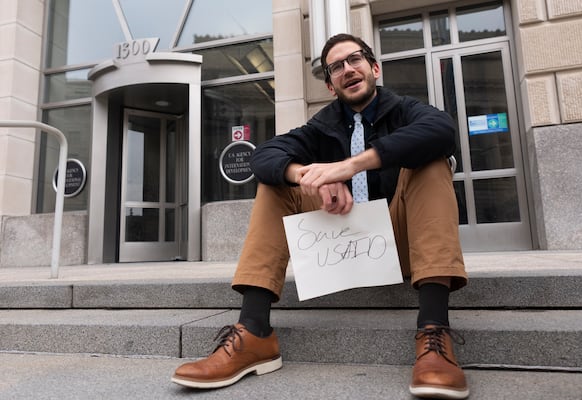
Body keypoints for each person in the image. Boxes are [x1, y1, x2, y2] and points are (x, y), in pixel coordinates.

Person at [172, 33, 469, 399]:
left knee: (431, 161)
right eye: (337, 67)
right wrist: (310, 177)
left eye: (355, 60)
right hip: (340, 247)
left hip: (402, 245)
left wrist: (348, 167)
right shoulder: (322, 126)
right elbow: (262, 156)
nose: (348, 69)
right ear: (331, 86)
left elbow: (443, 131)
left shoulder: (406, 110)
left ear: (374, 67)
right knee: (276, 180)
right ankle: (253, 332)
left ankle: (433, 332)